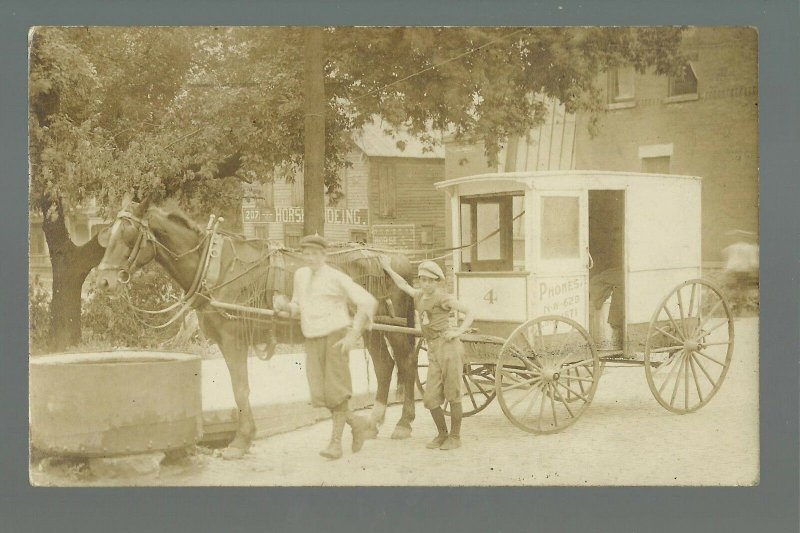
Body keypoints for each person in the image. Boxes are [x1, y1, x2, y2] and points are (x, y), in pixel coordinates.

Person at [273, 234, 378, 460]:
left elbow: (368, 301)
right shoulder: (300, 275)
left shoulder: (335, 277)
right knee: (320, 395)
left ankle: (335, 444)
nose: (310, 258)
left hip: (335, 337)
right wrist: (286, 307)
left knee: (336, 392)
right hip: (312, 339)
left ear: (324, 255)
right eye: (306, 253)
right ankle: (358, 423)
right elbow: (298, 304)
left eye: (314, 254)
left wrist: (352, 335)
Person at [379, 256, 475, 450]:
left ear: (437, 282)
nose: (426, 284)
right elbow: (402, 284)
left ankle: (455, 437)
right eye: (423, 280)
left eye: (431, 281)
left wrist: (457, 331)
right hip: (433, 350)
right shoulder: (419, 296)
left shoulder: (444, 298)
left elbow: (469, 312)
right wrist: (387, 267)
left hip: (449, 349)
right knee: (430, 397)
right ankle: (442, 434)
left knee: (453, 394)